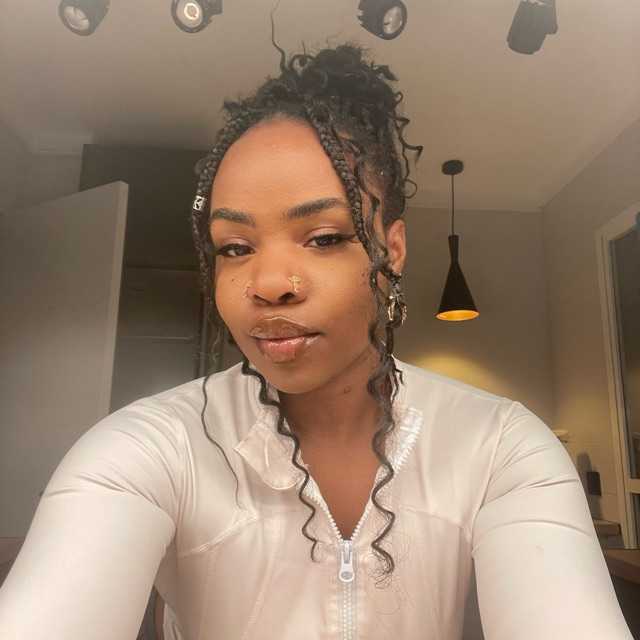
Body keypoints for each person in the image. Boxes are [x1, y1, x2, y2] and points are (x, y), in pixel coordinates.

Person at [0, 17, 634, 640]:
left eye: (325, 237)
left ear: (393, 249)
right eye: (235, 247)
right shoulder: (150, 449)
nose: (269, 282)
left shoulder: (502, 448)